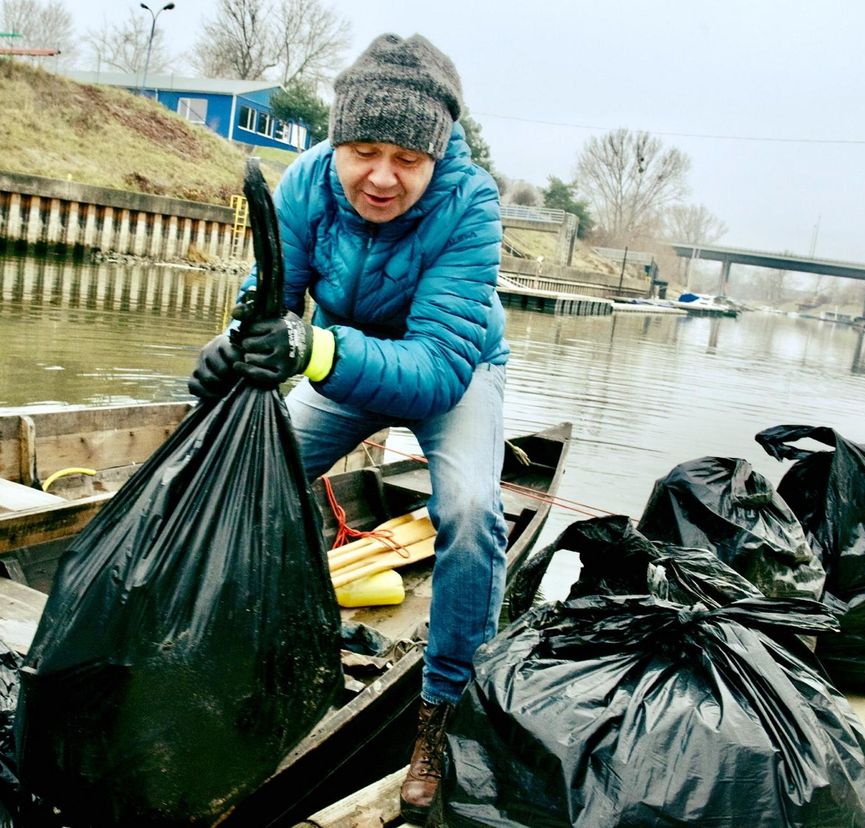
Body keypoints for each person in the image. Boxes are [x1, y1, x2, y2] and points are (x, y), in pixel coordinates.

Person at [189, 33, 508, 823]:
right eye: (362, 149)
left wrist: (315, 348)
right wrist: (232, 349)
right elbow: (273, 299)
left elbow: (434, 367)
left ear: (437, 157)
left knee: (469, 513)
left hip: (450, 371)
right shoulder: (306, 182)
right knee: (252, 472)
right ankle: (235, 645)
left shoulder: (472, 206)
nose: (380, 175)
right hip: (336, 360)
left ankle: (440, 715)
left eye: (406, 157)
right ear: (337, 142)